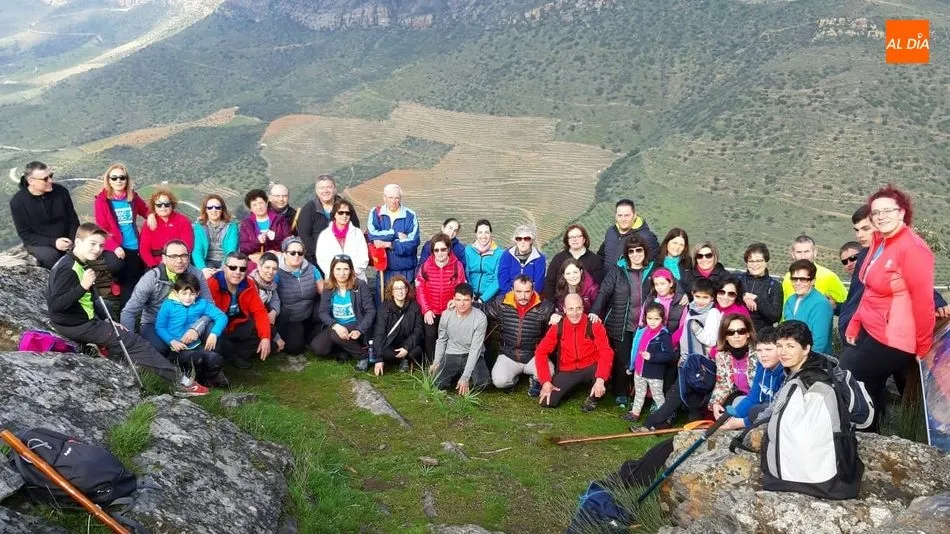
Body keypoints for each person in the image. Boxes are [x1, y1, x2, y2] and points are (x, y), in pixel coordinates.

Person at [47, 223, 207, 396]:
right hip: (76, 323)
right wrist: (83, 286)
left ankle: (110, 357)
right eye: (92, 243)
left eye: (101, 245)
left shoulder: (76, 262)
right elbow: (56, 305)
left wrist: (107, 320)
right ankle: (181, 383)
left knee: (108, 311)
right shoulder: (68, 268)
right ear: (77, 242)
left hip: (80, 319)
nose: (97, 249)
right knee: (134, 342)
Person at [843, 185, 936, 432]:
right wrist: (855, 321)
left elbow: (923, 302)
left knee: (848, 375)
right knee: (867, 385)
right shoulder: (878, 241)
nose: (881, 216)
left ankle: (859, 433)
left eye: (888, 210)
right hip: (871, 328)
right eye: (876, 212)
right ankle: (868, 436)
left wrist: (923, 346)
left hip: (894, 337)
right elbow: (870, 290)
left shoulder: (913, 249)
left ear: (902, 213)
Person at [639, 278, 723, 430]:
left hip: (700, 364)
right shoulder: (692, 309)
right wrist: (683, 356)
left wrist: (696, 328)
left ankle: (654, 424)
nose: (701, 301)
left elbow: (711, 340)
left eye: (705, 297)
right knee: (682, 396)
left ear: (712, 298)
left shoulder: (713, 313)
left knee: (686, 397)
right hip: (688, 362)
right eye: (698, 297)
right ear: (693, 295)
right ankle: (656, 424)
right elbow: (685, 336)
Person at [591, 234, 655, 408]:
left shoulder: (653, 270)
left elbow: (671, 285)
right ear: (627, 253)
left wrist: (681, 297)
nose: (635, 254)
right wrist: (595, 311)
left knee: (642, 360)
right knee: (622, 359)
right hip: (622, 323)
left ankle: (639, 392)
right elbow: (604, 292)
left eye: (638, 250)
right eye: (631, 251)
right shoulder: (617, 270)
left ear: (645, 251)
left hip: (645, 326)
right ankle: (620, 392)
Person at [120, 240, 212, 357]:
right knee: (159, 348)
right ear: (164, 258)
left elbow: (209, 304)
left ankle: (210, 363)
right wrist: (130, 343)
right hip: (155, 323)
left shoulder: (196, 274)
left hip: (189, 320)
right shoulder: (151, 279)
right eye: (173, 256)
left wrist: (196, 328)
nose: (179, 261)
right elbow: (129, 312)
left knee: (212, 329)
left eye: (184, 255)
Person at [533, 293, 613, 410]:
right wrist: (545, 381)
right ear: (564, 309)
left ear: (583, 308)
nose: (575, 313)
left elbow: (606, 352)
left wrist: (601, 379)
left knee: (602, 375)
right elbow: (540, 352)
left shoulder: (594, 325)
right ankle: (571, 388)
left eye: (578, 308)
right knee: (546, 402)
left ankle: (594, 396)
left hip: (590, 366)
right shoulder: (558, 327)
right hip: (568, 369)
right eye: (571, 309)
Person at [92, 163, 154, 306]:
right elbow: (102, 227)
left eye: (122, 177)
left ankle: (126, 314)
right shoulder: (102, 201)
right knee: (116, 265)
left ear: (127, 179)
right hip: (114, 244)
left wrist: (150, 215)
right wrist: (114, 247)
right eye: (114, 178)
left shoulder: (132, 197)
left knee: (132, 279)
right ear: (108, 180)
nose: (118, 181)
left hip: (133, 244)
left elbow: (145, 210)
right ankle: (116, 281)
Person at [155, 273, 228, 388]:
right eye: (184, 293)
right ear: (175, 292)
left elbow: (221, 317)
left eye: (192, 294)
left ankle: (208, 381)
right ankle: (188, 382)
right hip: (177, 349)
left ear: (197, 293)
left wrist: (214, 333)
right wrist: (172, 341)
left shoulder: (202, 304)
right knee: (195, 359)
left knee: (215, 359)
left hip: (196, 346)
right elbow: (160, 327)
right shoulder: (168, 305)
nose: (188, 297)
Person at [483, 275, 555, 392]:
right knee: (500, 382)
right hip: (509, 354)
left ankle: (535, 378)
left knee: (550, 373)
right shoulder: (502, 303)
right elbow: (483, 309)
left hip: (533, 355)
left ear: (533, 290)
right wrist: (460, 304)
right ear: (512, 290)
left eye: (527, 292)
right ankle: (514, 379)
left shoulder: (545, 307)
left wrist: (559, 316)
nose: (523, 296)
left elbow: (560, 321)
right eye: (519, 291)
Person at [10, 161, 81, 269]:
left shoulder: (61, 192)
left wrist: (73, 241)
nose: (50, 181)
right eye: (45, 179)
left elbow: (73, 220)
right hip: (40, 242)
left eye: (51, 176)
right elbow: (25, 234)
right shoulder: (18, 202)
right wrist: (54, 242)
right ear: (31, 181)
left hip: (66, 238)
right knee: (51, 257)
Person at [207, 252, 272, 369]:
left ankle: (232, 354)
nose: (238, 272)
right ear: (224, 268)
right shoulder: (212, 283)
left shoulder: (249, 284)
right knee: (215, 334)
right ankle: (233, 354)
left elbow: (259, 311)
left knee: (269, 330)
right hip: (218, 327)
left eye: (242, 269)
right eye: (233, 267)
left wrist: (265, 338)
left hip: (236, 326)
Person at [311, 255, 376, 365]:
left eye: (346, 269)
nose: (342, 273)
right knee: (318, 348)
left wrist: (360, 330)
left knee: (336, 335)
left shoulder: (360, 285)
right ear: (332, 270)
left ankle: (363, 356)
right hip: (336, 324)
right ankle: (344, 349)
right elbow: (323, 312)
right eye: (338, 269)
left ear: (351, 270)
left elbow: (371, 311)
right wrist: (335, 325)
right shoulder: (328, 287)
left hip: (355, 323)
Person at [429, 283, 490, 395]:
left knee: (483, 382)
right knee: (436, 383)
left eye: (466, 300)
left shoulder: (480, 318)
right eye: (458, 300)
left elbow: (475, 349)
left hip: (471, 354)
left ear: (472, 300)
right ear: (453, 299)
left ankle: (465, 376)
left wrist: (466, 377)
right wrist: (437, 361)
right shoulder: (446, 315)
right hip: (452, 353)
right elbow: (441, 340)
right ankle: (456, 375)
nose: (462, 304)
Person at [416, 234, 467, 364]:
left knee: (450, 336)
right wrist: (426, 309)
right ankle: (432, 364)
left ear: (449, 249)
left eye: (443, 249)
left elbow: (462, 287)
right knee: (430, 335)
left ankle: (449, 363)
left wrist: (456, 301)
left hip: (450, 310)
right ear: (432, 251)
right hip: (431, 309)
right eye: (436, 250)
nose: (440, 253)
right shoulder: (425, 266)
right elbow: (420, 288)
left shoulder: (457, 266)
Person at [722, 325, 784, 430]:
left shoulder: (784, 372)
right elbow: (753, 397)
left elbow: (776, 410)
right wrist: (732, 418)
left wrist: (742, 422)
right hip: (761, 409)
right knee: (738, 402)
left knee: (754, 411)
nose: (763, 355)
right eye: (759, 350)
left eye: (768, 349)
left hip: (776, 417)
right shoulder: (762, 365)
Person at [624, 302, 675, 422]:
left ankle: (665, 416)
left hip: (654, 374)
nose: (652, 321)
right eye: (649, 318)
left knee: (658, 396)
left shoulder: (664, 335)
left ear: (662, 319)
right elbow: (635, 349)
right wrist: (630, 365)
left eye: (656, 319)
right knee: (639, 394)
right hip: (639, 371)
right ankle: (634, 414)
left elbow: (669, 355)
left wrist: (652, 356)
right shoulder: (642, 331)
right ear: (645, 318)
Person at [296, 174, 361, 268]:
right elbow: (304, 235)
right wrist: (320, 253)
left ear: (335, 189)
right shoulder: (309, 208)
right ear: (316, 191)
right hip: (316, 259)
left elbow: (355, 229)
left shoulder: (345, 206)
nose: (325, 191)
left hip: (344, 257)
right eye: (321, 188)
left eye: (329, 187)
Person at [275, 237, 324, 355]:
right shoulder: (277, 272)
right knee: (294, 348)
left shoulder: (311, 268)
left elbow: (322, 289)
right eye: (292, 253)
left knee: (325, 309)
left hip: (309, 310)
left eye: (300, 253)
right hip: (291, 315)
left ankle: (314, 336)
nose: (296, 255)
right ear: (284, 254)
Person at [708, 314, 759, 419]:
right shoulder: (722, 356)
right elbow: (723, 384)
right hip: (737, 396)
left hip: (757, 400)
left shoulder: (760, 353)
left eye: (741, 331)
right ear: (725, 336)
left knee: (738, 405)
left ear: (748, 333)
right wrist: (715, 403)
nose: (736, 336)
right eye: (730, 332)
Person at [371, 275, 424, 375]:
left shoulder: (415, 307)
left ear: (407, 290)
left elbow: (418, 330)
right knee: (385, 353)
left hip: (409, 343)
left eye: (403, 288)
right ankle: (401, 360)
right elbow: (379, 332)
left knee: (417, 350)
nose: (400, 291)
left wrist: (406, 347)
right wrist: (378, 359)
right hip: (391, 344)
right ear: (391, 291)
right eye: (396, 289)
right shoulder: (384, 308)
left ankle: (405, 360)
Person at [367, 184, 420, 283]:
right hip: (384, 270)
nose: (394, 201)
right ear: (384, 198)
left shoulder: (410, 215)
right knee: (383, 298)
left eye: (397, 198)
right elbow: (372, 235)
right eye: (390, 197)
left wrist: (390, 244)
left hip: (406, 271)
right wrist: (396, 234)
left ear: (400, 198)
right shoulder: (375, 213)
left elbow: (413, 242)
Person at [782, 259, 833, 354]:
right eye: (794, 279)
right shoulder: (790, 300)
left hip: (813, 362)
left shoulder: (821, 304)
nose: (797, 283)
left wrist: (807, 364)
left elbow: (819, 342)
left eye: (803, 279)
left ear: (813, 281)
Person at [780, 235, 847, 307]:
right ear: (793, 254)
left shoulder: (829, 277)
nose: (803, 256)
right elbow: (784, 308)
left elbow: (849, 305)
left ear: (815, 252)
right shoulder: (787, 278)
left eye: (807, 251)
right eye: (799, 252)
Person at [543, 224, 605, 301]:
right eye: (571, 237)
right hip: (561, 306)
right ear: (567, 240)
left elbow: (600, 288)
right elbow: (550, 283)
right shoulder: (558, 259)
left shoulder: (595, 260)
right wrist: (553, 306)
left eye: (578, 236)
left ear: (584, 239)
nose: (575, 240)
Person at [315, 199, 369, 282]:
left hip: (355, 279)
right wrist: (337, 275)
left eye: (347, 213)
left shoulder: (357, 233)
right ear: (334, 214)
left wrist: (351, 273)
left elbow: (363, 258)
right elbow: (321, 259)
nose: (344, 216)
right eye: (341, 212)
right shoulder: (324, 235)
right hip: (333, 281)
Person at [138, 188, 194, 269]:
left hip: (178, 262)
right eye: (159, 205)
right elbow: (144, 250)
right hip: (155, 264)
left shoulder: (183, 221)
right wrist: (154, 266)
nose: (163, 207)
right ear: (154, 206)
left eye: (167, 204)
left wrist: (172, 261)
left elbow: (187, 246)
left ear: (172, 205)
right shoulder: (149, 224)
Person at [736, 243, 783, 332]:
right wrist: (743, 297)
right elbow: (725, 298)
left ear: (766, 262)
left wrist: (756, 299)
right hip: (737, 333)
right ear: (746, 263)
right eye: (751, 261)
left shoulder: (774, 286)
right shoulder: (737, 279)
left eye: (758, 261)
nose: (755, 265)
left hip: (761, 336)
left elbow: (775, 316)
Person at [597, 199, 660, 266]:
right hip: (607, 276)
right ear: (615, 216)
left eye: (627, 215)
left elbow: (655, 263)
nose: (623, 219)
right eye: (620, 215)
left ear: (634, 215)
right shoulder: (611, 232)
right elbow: (601, 256)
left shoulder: (646, 237)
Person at [192, 194, 239, 279]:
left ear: (222, 209)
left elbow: (231, 251)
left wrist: (223, 269)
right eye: (210, 207)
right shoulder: (199, 227)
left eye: (217, 207)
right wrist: (203, 268)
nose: (214, 210)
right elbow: (197, 251)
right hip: (206, 261)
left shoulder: (232, 227)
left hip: (225, 261)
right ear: (206, 210)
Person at [239, 189, 289, 266]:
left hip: (277, 259)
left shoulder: (280, 219)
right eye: (254, 205)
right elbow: (243, 247)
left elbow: (288, 242)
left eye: (261, 203)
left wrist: (276, 237)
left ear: (266, 203)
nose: (259, 207)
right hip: (255, 261)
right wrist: (257, 241)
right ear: (250, 208)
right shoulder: (246, 223)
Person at [249, 252, 285, 352]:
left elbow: (276, 300)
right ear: (259, 267)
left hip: (263, 319)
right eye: (267, 267)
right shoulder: (251, 283)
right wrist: (276, 336)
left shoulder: (271, 284)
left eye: (274, 269)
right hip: (250, 321)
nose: (270, 271)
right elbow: (254, 314)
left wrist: (273, 312)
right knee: (275, 345)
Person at [497, 224, 546, 294]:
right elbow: (503, 279)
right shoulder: (507, 255)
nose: (522, 242)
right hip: (508, 295)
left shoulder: (539, 258)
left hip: (531, 296)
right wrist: (510, 296)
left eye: (526, 239)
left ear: (531, 241)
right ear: (515, 241)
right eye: (519, 239)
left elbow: (538, 284)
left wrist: (527, 297)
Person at [464, 219, 504, 303]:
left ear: (490, 234)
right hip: (470, 293)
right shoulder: (468, 250)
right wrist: (470, 294)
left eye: (486, 232)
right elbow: (466, 275)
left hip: (490, 295)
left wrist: (482, 299)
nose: (483, 236)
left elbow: (497, 280)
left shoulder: (499, 253)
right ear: (476, 234)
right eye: (480, 232)